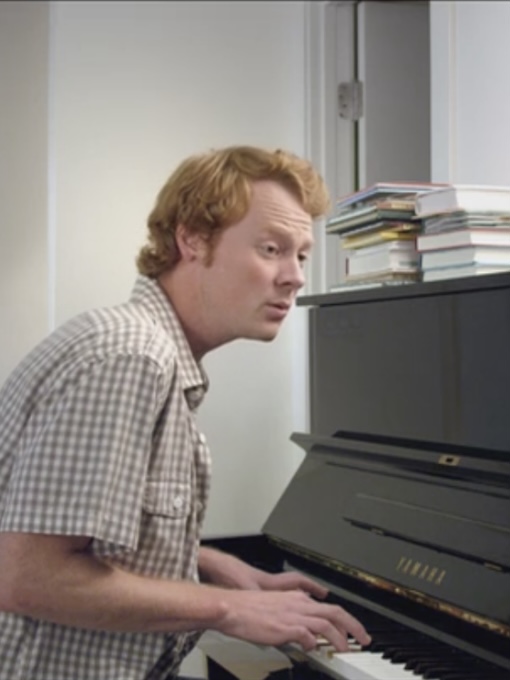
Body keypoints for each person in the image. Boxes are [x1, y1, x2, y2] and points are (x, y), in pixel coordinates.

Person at [0, 145, 370, 679]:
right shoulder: (131, 358)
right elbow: (28, 577)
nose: (295, 276)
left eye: (302, 255)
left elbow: (88, 527)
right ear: (192, 238)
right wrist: (231, 609)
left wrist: (213, 565)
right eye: (271, 248)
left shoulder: (150, 352)